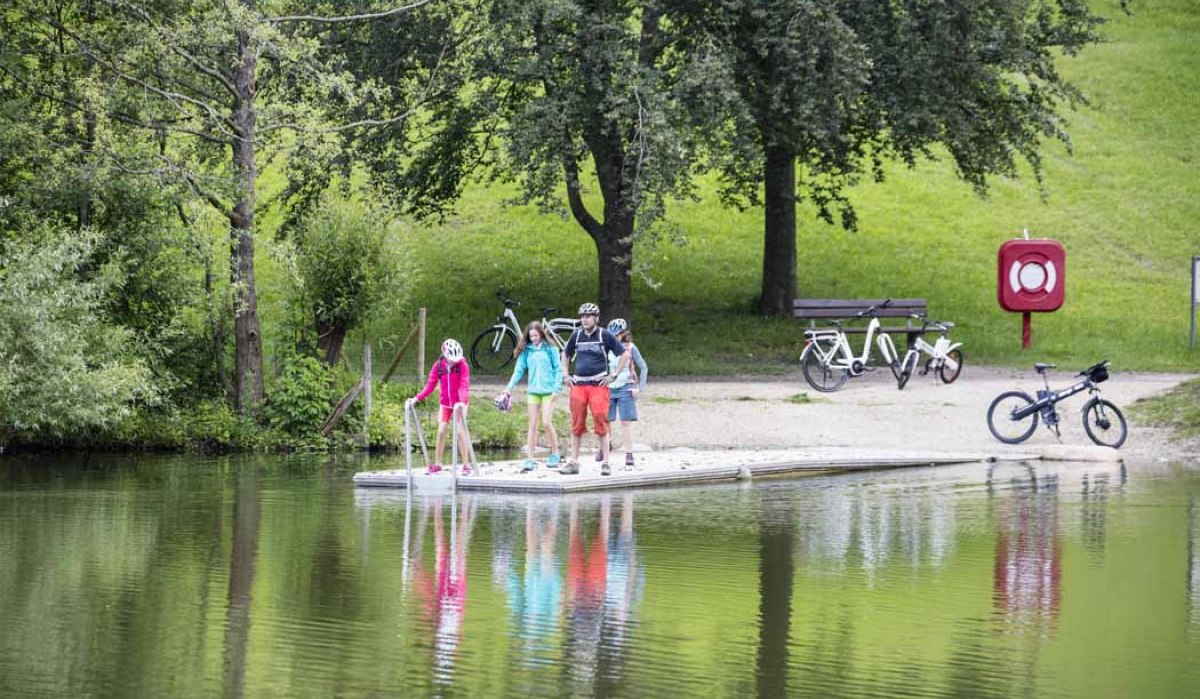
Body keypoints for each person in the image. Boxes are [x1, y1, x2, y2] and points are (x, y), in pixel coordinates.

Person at [561, 302, 628, 476]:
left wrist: (614, 375)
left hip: (598, 385)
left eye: (588, 316)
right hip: (579, 384)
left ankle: (606, 462)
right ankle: (574, 461)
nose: (584, 319)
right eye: (582, 316)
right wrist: (566, 375)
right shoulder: (576, 335)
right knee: (577, 422)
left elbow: (624, 354)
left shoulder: (604, 335)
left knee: (600, 418)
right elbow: (565, 353)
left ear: (596, 318)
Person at [497, 321, 564, 473]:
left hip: (549, 391)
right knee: (532, 425)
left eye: (536, 335)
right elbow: (518, 371)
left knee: (547, 422)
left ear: (541, 334)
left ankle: (555, 453)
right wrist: (508, 389)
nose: (533, 338)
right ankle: (530, 459)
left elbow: (558, 370)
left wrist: (557, 389)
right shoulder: (526, 351)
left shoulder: (551, 349)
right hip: (533, 391)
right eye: (531, 336)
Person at [411, 339, 473, 475]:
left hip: (460, 404)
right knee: (441, 431)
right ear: (445, 356)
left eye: (455, 359)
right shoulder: (438, 366)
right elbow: (430, 385)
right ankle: (438, 463)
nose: (453, 362)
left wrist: (462, 401)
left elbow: (464, 385)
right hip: (445, 404)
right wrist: (417, 398)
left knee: (460, 431)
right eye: (451, 359)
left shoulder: (463, 365)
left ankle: (466, 464)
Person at [596, 318, 647, 469]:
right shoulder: (606, 347)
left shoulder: (630, 348)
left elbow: (643, 367)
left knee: (625, 422)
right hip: (609, 387)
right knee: (606, 420)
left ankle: (629, 453)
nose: (615, 338)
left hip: (626, 386)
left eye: (617, 335)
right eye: (612, 335)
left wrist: (640, 388)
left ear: (623, 334)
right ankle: (605, 447)